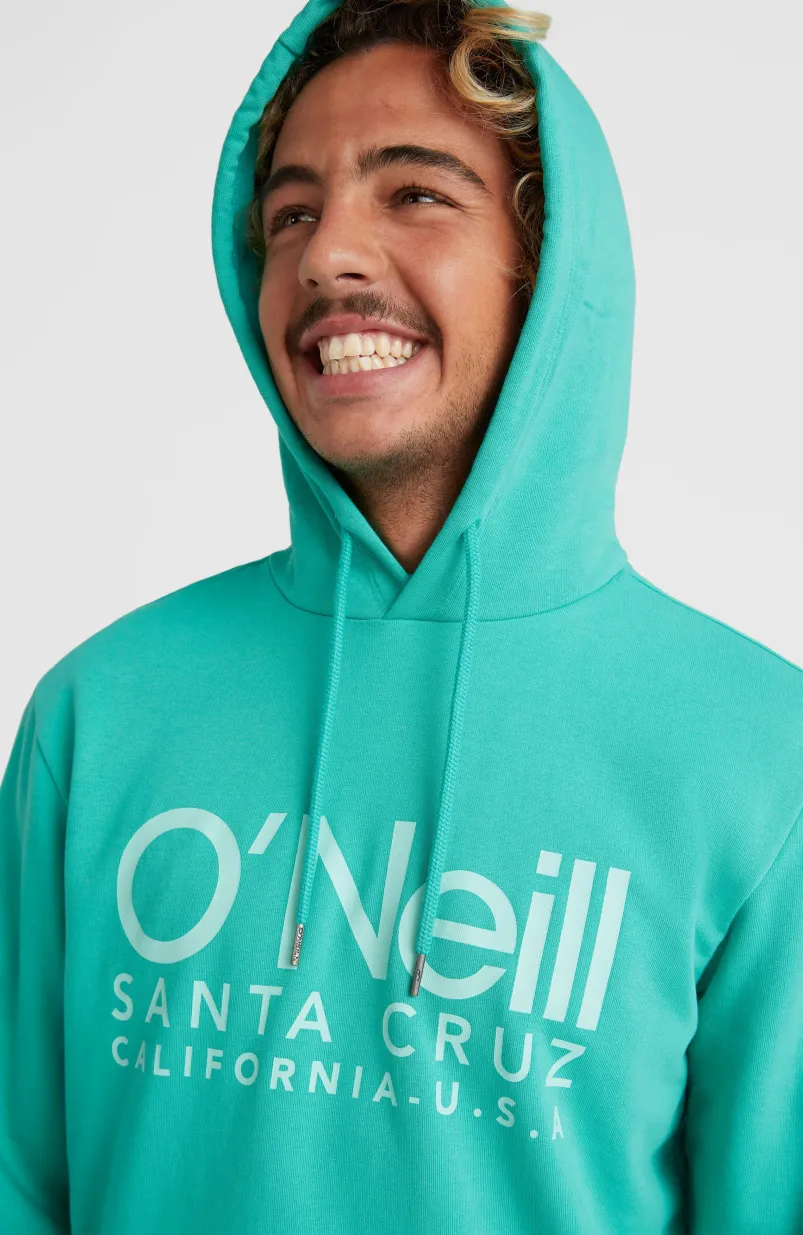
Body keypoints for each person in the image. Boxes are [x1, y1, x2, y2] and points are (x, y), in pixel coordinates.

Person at [1, 0, 801, 1231]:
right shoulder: (96, 713)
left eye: (415, 193)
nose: (326, 256)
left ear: (550, 269)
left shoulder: (760, 756)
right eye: (290, 214)